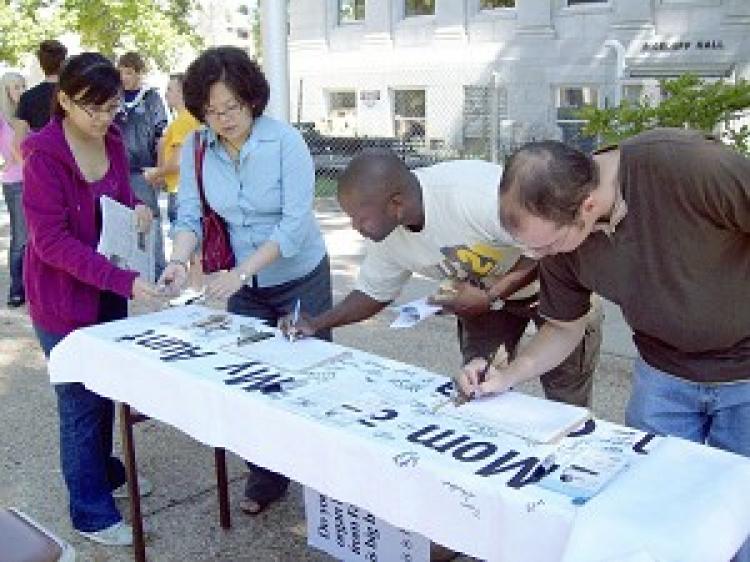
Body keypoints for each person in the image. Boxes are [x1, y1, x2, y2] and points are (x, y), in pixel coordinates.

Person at [457, 130, 750, 560]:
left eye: (546, 244)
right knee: (653, 506)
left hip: (746, 372)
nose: (537, 257)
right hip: (661, 376)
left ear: (587, 206)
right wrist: (509, 374)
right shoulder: (558, 240)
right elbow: (562, 327)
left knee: (740, 511)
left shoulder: (690, 168)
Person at [281, 151, 602, 409]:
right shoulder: (387, 236)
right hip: (484, 304)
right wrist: (319, 322)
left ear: (396, 205)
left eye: (359, 217)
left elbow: (546, 248)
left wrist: (491, 293)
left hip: (553, 290)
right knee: (481, 386)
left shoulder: (472, 195)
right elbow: (372, 293)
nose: (354, 227)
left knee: (565, 396)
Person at [158, 46, 332, 516]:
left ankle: (325, 475)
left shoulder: (286, 142)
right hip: (243, 286)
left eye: (230, 107)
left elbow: (295, 225)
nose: (222, 119)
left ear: (252, 98)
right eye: (211, 111)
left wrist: (239, 273)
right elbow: (189, 214)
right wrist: (178, 260)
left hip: (297, 276)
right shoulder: (196, 145)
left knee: (309, 377)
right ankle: (266, 475)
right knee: (252, 379)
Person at [22, 52, 162, 547]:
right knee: (79, 403)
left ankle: (107, 476)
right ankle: (90, 511)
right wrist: (122, 281)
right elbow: (50, 242)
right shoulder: (41, 154)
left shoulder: (115, 141)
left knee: (106, 389)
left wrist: (139, 209)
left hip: (105, 289)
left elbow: (119, 200)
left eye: (111, 108)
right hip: (62, 298)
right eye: (93, 108)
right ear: (63, 99)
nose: (103, 118)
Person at [115, 51, 168, 278]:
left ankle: (158, 268)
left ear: (138, 73)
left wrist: (160, 169)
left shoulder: (151, 98)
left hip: (142, 171)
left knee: (150, 219)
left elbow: (161, 135)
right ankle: (125, 270)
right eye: (121, 72)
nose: (124, 77)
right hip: (116, 170)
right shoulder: (113, 98)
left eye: (129, 72)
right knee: (120, 220)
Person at [143, 73, 200, 227]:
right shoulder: (187, 120)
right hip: (181, 190)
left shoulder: (183, 122)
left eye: (169, 89)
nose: (166, 94)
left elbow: (178, 162)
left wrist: (155, 173)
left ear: (182, 93)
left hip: (181, 193)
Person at [0, 71, 27, 306]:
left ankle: (33, 285)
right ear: (6, 91)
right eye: (15, 87)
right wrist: (4, 162)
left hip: (36, 180)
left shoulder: (28, 113)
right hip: (15, 183)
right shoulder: (2, 117)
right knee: (20, 236)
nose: (20, 91)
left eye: (22, 86)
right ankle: (16, 289)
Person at [16, 39, 67, 132]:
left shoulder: (27, 97)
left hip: (39, 145)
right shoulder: (74, 94)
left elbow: (18, 143)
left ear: (41, 63)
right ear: (63, 62)